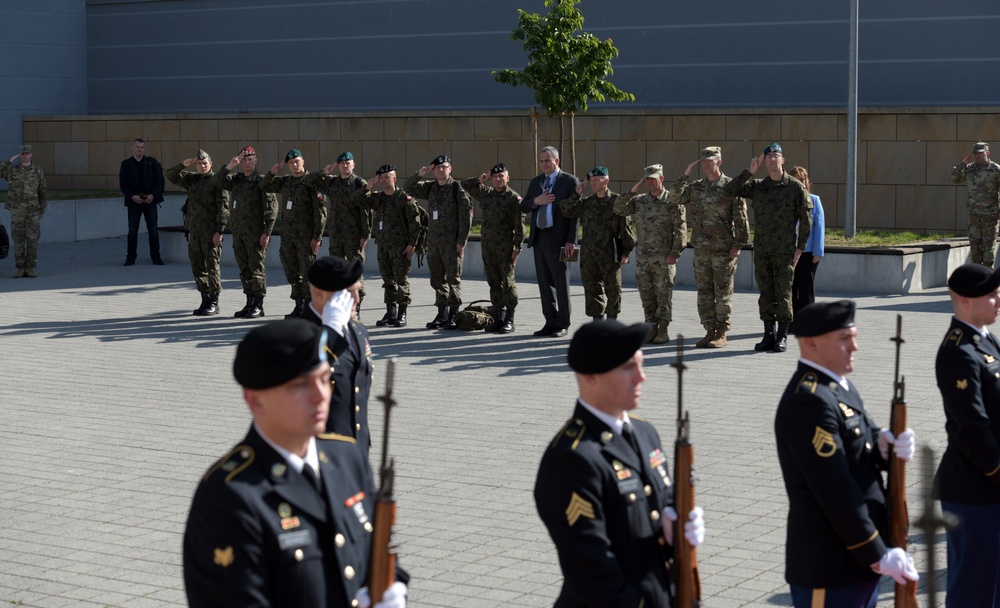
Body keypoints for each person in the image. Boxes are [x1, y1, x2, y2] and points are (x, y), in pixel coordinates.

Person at [182, 319, 408, 607]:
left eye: (325, 379)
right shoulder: (230, 496)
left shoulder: (347, 458)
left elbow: (379, 550)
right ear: (255, 401)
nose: (321, 396)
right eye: (300, 386)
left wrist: (393, 585)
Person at [534, 320, 706, 606]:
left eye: (641, 364)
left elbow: (659, 502)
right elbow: (591, 571)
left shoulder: (644, 432)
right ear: (590, 376)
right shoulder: (572, 458)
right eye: (628, 368)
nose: (641, 377)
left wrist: (674, 525)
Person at [775, 300, 918, 608]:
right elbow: (835, 488)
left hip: (855, 559)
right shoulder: (809, 401)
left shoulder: (839, 386)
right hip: (831, 563)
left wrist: (885, 445)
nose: (854, 346)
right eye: (844, 338)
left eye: (853, 336)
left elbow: (860, 447)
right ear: (812, 344)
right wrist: (876, 553)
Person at [935, 263, 1000, 607]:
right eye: (990, 295)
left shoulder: (986, 340)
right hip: (976, 489)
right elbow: (971, 426)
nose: (998, 300)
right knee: (974, 588)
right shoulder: (958, 352)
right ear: (964, 300)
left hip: (990, 489)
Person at [726, 143, 812, 353]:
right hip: (762, 250)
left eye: (776, 156)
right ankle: (768, 335)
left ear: (783, 160)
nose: (773, 160)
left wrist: (800, 248)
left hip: (784, 251)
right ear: (764, 162)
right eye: (769, 157)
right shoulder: (758, 186)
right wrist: (750, 171)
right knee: (766, 293)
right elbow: (730, 189)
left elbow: (806, 218)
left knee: (783, 293)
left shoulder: (794, 187)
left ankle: (782, 335)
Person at [670, 146, 749, 348]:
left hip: (724, 249)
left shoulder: (731, 186)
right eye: (703, 162)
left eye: (710, 161)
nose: (706, 165)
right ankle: (709, 330)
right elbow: (674, 197)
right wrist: (685, 175)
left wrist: (738, 244)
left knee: (722, 292)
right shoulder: (696, 187)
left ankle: (721, 332)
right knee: (704, 292)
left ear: (719, 162)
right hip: (701, 249)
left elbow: (741, 218)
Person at [300, 256, 374, 457]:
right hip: (319, 452)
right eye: (348, 293)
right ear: (318, 294)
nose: (357, 299)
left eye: (358, 290)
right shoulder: (298, 335)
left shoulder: (357, 330)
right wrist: (330, 331)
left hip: (356, 448)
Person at [614, 164, 687, 344]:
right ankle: (650, 326)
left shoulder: (672, 200)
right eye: (647, 179)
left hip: (664, 257)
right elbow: (618, 208)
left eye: (653, 178)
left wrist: (675, 253)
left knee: (663, 294)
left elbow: (681, 229)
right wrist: (632, 191)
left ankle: (663, 329)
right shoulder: (639, 201)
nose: (649, 182)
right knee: (646, 294)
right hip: (643, 257)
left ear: (661, 179)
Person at [403, 155, 473, 330]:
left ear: (450, 169)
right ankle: (442, 314)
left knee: (452, 278)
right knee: (437, 279)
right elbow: (408, 188)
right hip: (434, 242)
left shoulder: (458, 189)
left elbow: (466, 218)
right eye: (437, 168)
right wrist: (420, 173)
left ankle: (454, 314)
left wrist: (461, 241)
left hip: (451, 243)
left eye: (444, 167)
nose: (441, 170)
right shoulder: (431, 187)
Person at [520, 146, 580, 338]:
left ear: (557, 160)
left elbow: (574, 214)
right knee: (544, 283)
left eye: (548, 160)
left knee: (560, 283)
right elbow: (523, 205)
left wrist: (571, 240)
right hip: (540, 237)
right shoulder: (537, 182)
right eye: (541, 161)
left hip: (559, 238)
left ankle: (563, 323)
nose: (544, 164)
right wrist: (536, 201)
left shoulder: (569, 181)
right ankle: (549, 321)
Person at [562, 166, 635, 321]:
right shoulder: (587, 203)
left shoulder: (617, 202)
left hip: (610, 254)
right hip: (589, 255)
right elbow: (565, 210)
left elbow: (626, 230)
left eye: (597, 180)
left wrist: (626, 252)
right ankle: (597, 322)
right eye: (592, 180)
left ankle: (611, 321)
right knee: (591, 288)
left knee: (613, 289)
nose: (593, 183)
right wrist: (577, 193)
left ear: (606, 180)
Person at [262, 149, 328, 319]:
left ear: (303, 161)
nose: (295, 164)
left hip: (306, 237)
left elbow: (320, 212)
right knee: (292, 271)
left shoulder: (312, 182)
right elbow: (263, 186)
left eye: (297, 161)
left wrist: (317, 237)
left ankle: (310, 307)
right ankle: (299, 305)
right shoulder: (285, 182)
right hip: (288, 236)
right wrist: (272, 172)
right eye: (291, 162)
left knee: (307, 272)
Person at [459, 163, 525, 333]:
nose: (497, 179)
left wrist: (517, 248)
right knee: (493, 282)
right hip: (488, 247)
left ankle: (509, 319)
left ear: (507, 178)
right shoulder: (486, 194)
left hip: (505, 248)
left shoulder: (513, 198)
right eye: (494, 177)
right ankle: (499, 317)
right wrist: (481, 179)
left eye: (501, 176)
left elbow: (520, 226)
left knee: (507, 283)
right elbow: (464, 185)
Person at [216, 146, 278, 319]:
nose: (247, 162)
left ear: (256, 161)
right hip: (239, 233)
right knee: (244, 270)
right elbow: (217, 182)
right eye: (244, 159)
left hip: (256, 234)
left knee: (256, 268)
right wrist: (229, 166)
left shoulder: (262, 181)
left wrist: (267, 232)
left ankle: (258, 305)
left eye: (250, 159)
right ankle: (249, 302)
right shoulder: (236, 179)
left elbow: (271, 208)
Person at [166, 150, 230, 316]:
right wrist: (183, 164)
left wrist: (219, 231)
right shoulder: (192, 179)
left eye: (205, 163)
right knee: (198, 267)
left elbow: (223, 208)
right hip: (194, 232)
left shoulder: (217, 181)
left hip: (211, 233)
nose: (202, 166)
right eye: (199, 164)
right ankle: (205, 299)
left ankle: (214, 302)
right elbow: (170, 175)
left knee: (212, 268)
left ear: (211, 163)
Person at [309, 151, 371, 319]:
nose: (345, 165)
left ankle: (355, 307)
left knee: (354, 272)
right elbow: (308, 181)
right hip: (336, 234)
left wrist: (365, 234)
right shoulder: (333, 182)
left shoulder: (359, 184)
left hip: (353, 235)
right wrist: (324, 172)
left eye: (348, 162)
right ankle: (338, 306)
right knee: (336, 272)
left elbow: (365, 211)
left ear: (353, 165)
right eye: (341, 163)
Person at [359, 164, 421, 328]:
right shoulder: (378, 198)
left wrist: (411, 244)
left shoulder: (404, 198)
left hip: (400, 247)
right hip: (383, 246)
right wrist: (367, 187)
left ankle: (402, 313)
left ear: (395, 178)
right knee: (387, 280)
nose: (385, 180)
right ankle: (390, 312)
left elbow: (415, 223)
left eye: (388, 177)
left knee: (400, 279)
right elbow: (356, 201)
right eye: (382, 177)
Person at [950, 141, 1000, 267]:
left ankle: (987, 277)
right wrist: (963, 164)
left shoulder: (996, 170)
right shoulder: (969, 169)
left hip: (990, 215)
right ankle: (977, 277)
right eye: (975, 153)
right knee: (975, 247)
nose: (977, 156)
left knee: (988, 249)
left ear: (987, 153)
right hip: (974, 215)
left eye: (980, 153)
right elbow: (954, 179)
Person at [1, 145, 47, 278]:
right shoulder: (12, 170)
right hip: (17, 211)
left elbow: (42, 191)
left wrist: (42, 208)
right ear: (19, 155)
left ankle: (30, 267)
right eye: (22, 154)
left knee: (32, 240)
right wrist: (8, 161)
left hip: (33, 211)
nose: (25, 156)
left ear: (31, 154)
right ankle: (20, 267)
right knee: (18, 240)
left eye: (27, 153)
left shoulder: (37, 170)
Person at [119, 138, 165, 266]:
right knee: (132, 231)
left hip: (150, 201)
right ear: (132, 148)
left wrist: (153, 195)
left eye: (142, 147)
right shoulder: (126, 164)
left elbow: (159, 181)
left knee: (153, 230)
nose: (140, 149)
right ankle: (130, 258)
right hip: (134, 202)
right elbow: (123, 184)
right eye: (137, 147)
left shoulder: (151, 162)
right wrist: (132, 196)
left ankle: (156, 257)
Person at [789, 166, 825, 317]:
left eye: (803, 179)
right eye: (797, 179)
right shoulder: (787, 201)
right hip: (790, 251)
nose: (801, 182)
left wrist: (818, 251)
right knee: (791, 287)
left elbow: (820, 227)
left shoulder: (814, 200)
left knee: (806, 288)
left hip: (808, 252)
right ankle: (792, 320)